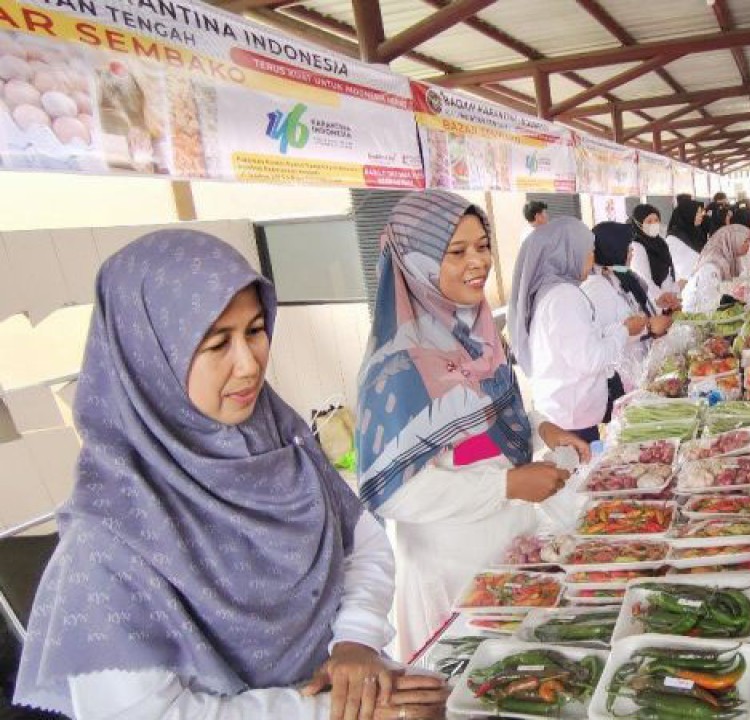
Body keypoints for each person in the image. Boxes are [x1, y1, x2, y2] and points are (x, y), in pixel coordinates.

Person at [16, 231, 445, 720]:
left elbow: (362, 539)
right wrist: (332, 711)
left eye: (256, 330)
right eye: (217, 343)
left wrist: (356, 640)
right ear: (149, 357)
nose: (249, 365)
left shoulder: (282, 444)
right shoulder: (108, 538)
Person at [355, 191, 589, 659]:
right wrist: (507, 485)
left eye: (482, 246)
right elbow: (395, 492)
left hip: (513, 546)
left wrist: (543, 428)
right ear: (417, 262)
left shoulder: (477, 332)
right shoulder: (396, 368)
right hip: (453, 570)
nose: (478, 262)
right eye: (456, 251)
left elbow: (499, 410)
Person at [511, 217, 649, 443]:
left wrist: (619, 329)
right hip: (571, 418)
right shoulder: (564, 296)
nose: (593, 258)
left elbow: (583, 342)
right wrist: (624, 330)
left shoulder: (553, 293)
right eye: (589, 251)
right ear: (568, 253)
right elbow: (591, 358)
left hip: (567, 412)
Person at [584, 222, 672, 410]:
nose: (631, 252)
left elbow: (634, 309)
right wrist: (647, 328)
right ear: (612, 248)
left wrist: (658, 306)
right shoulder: (596, 289)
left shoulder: (621, 276)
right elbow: (606, 335)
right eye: (627, 247)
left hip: (642, 366)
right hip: (624, 377)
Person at [680, 225, 750, 314]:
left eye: (749, 241)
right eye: (745, 241)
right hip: (697, 316)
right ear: (732, 241)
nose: (748, 245)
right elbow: (707, 303)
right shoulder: (713, 265)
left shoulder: (729, 259)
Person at [626, 204, 680, 311]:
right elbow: (645, 280)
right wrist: (663, 299)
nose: (654, 224)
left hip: (666, 303)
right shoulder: (636, 246)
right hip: (652, 304)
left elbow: (667, 273)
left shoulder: (661, 243)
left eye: (656, 220)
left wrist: (673, 295)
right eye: (649, 221)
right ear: (638, 223)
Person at [665, 195, 707, 282]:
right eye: (698, 213)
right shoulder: (673, 239)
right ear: (689, 214)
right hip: (686, 284)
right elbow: (681, 267)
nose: (701, 216)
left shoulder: (695, 232)